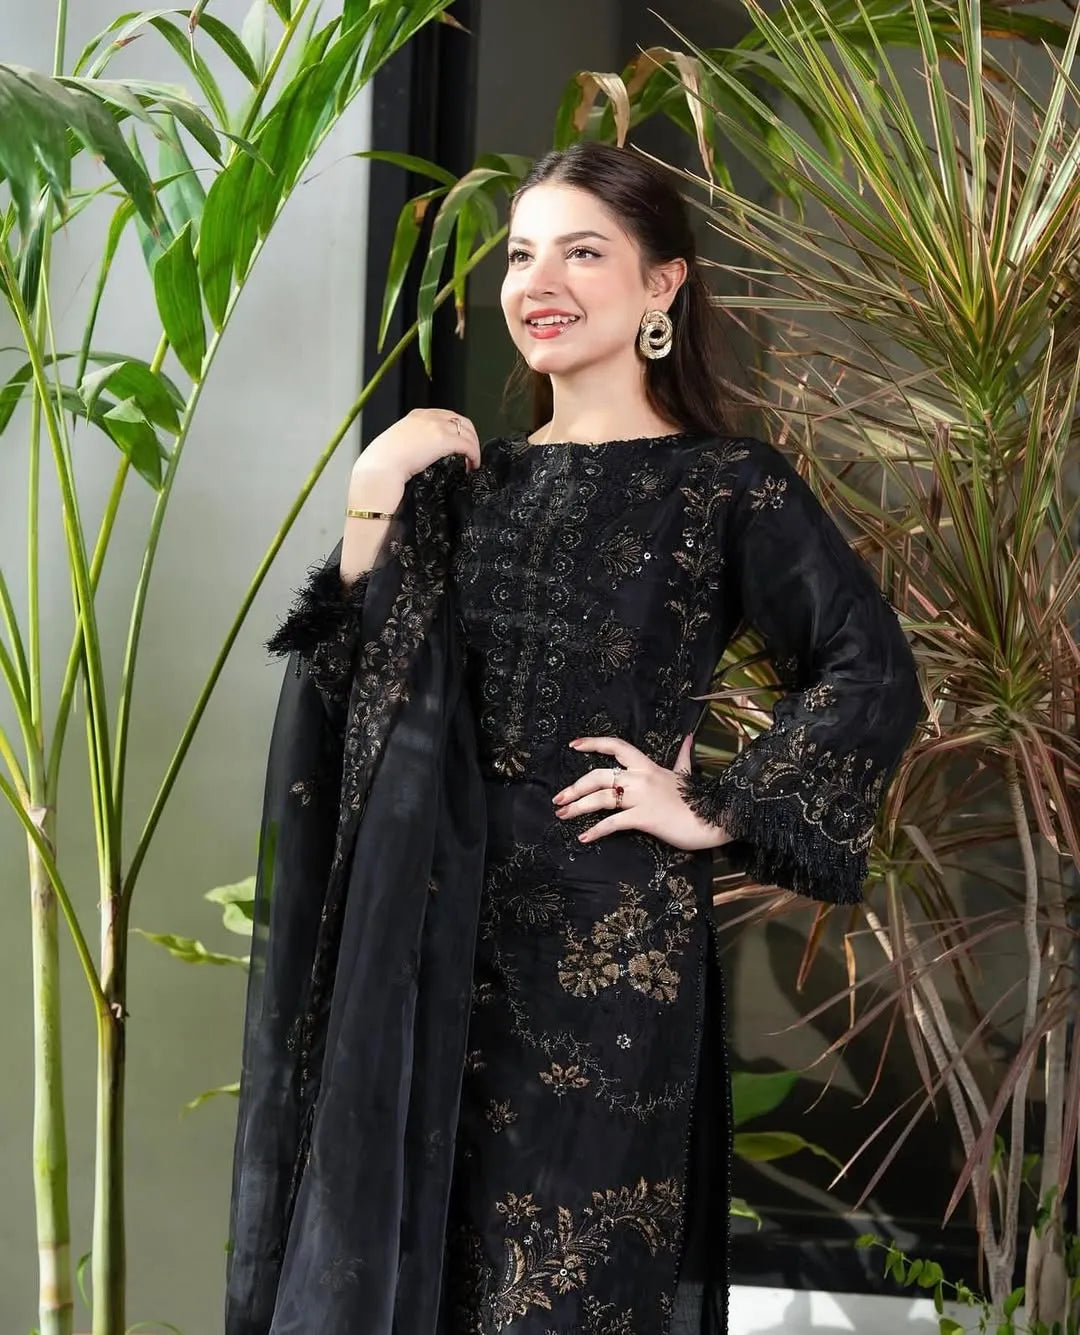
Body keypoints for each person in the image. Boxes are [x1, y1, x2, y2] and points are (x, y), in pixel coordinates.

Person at [224, 141, 922, 1335]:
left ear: (663, 286)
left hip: (607, 960)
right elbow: (345, 712)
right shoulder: (461, 485)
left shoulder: (724, 486)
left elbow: (872, 673)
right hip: (427, 946)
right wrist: (377, 492)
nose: (538, 280)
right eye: (522, 253)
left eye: (583, 251)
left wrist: (711, 808)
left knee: (567, 1293)